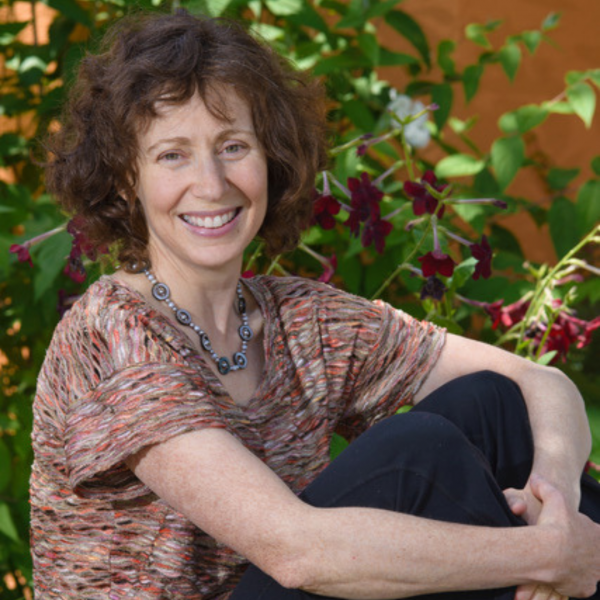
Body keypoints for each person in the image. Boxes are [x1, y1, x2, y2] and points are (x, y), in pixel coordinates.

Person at [30, 9, 600, 600]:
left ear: (270, 158)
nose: (212, 184)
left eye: (233, 146)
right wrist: (551, 556)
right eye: (173, 155)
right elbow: (297, 552)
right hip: (288, 564)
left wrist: (557, 503)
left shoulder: (302, 322)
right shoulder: (112, 337)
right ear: (127, 178)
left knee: (491, 402)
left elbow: (542, 380)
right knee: (412, 456)